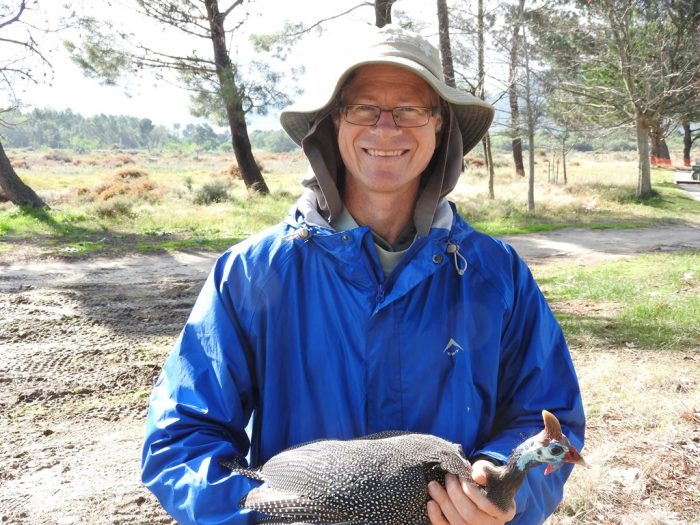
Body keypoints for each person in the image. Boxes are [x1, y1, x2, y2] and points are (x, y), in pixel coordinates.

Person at [141, 25, 585, 525]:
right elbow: (182, 437)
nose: (387, 128)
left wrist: (498, 486)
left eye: (411, 109)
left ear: (440, 127)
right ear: (333, 123)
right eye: (363, 108)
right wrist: (262, 515)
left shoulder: (494, 273)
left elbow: (548, 418)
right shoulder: (253, 273)